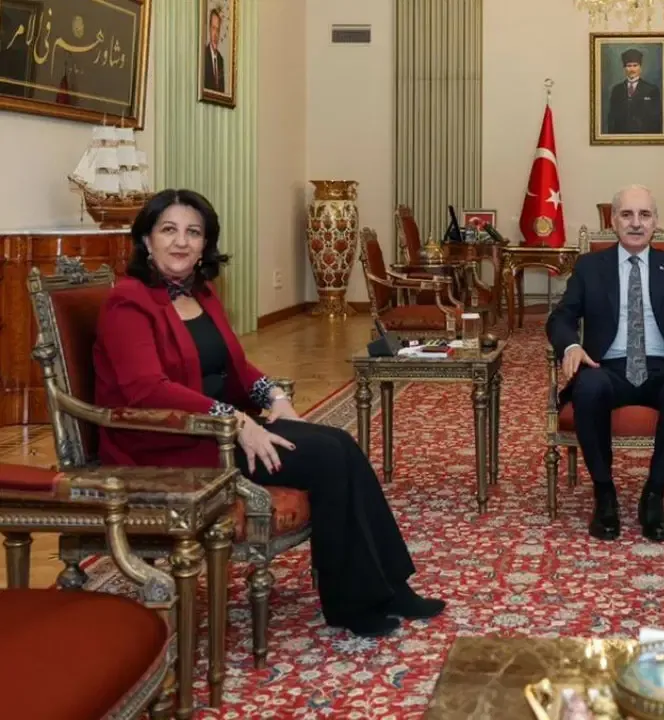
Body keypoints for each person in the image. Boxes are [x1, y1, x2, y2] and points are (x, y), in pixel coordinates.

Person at [93, 189, 445, 638]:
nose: (181, 242)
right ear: (146, 239)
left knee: (340, 443)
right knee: (327, 458)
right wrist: (237, 421)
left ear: (205, 244)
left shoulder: (202, 293)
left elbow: (236, 367)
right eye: (169, 230)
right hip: (169, 442)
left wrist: (274, 396)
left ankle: (390, 587)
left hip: (219, 429)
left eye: (193, 232)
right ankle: (353, 603)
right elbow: (146, 389)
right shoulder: (129, 301)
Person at [546, 185, 664, 542]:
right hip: (606, 366)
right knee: (588, 387)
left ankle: (654, 494)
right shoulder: (590, 267)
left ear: (655, 222)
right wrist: (571, 346)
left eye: (644, 215)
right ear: (613, 221)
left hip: (663, 367)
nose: (636, 223)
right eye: (627, 215)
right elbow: (561, 317)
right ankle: (605, 494)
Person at [607, 48, 662, 135]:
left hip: (645, 137)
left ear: (640, 67)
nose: (632, 69)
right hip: (621, 137)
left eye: (635, 65)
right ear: (624, 68)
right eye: (629, 66)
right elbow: (612, 118)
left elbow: (657, 119)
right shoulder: (617, 90)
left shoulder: (652, 90)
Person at [203, 8, 226, 94]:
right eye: (213, 28)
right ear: (209, 29)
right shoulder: (203, 55)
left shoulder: (221, 60)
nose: (215, 34)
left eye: (218, 30)